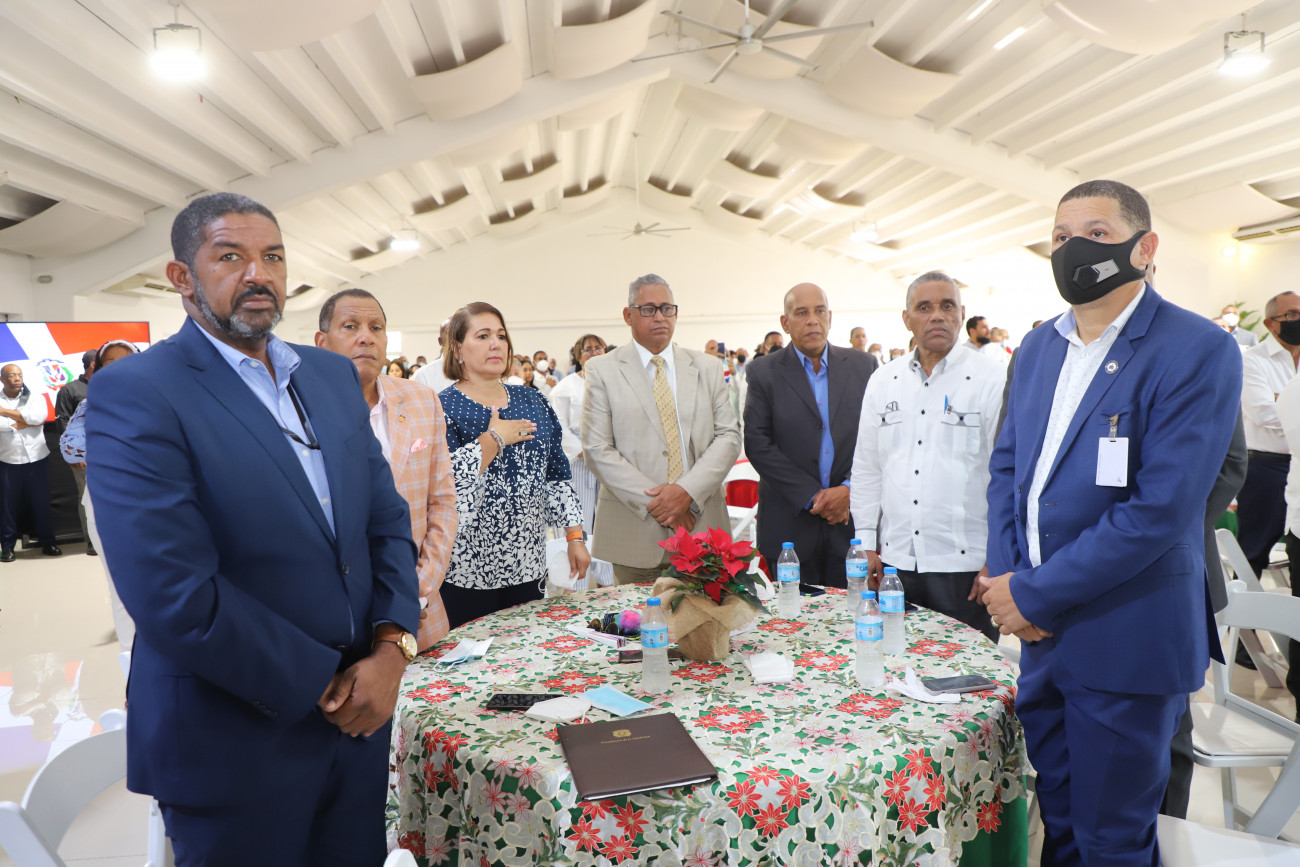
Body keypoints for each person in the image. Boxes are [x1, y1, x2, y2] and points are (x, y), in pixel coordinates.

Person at [85, 192, 420, 864]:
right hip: (230, 739)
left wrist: (392, 648)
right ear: (182, 277)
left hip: (358, 727)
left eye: (273, 256)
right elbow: (172, 590)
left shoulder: (327, 374)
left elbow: (385, 520)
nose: (258, 274)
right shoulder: (139, 390)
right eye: (230, 256)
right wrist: (328, 682)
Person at [982, 179, 1240, 865]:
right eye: (1061, 237)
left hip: (1126, 635)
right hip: (1041, 636)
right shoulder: (1038, 348)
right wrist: (1009, 579)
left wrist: (1032, 593)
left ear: (1144, 247)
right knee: (1061, 824)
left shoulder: (1196, 348)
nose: (1074, 249)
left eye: (1095, 234)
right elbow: (1008, 470)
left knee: (1113, 839)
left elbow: (1161, 510)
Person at [849, 273, 1003, 640]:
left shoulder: (992, 379)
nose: (937, 315)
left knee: (968, 671)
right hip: (895, 563)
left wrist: (998, 558)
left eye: (947, 306)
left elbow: (1009, 477)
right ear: (907, 319)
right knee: (896, 664)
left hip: (966, 569)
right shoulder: (883, 381)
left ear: (961, 314)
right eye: (924, 307)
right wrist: (866, 543)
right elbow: (868, 468)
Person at [315, 288, 457, 651]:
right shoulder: (299, 412)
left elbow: (442, 503)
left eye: (376, 327)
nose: (366, 337)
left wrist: (416, 590)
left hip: (418, 617)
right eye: (350, 326)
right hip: (332, 624)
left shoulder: (422, 401)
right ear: (322, 342)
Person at [582, 274, 740, 584]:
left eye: (667, 308)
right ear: (628, 315)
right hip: (634, 532)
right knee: (639, 616)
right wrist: (663, 505)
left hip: (703, 527)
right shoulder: (602, 370)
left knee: (707, 615)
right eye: (648, 309)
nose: (659, 317)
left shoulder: (707, 367)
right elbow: (597, 449)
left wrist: (685, 493)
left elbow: (729, 437)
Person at [437, 302, 589, 627]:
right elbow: (444, 482)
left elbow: (557, 474)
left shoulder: (533, 401)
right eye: (483, 336)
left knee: (525, 650)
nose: (496, 344)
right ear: (458, 349)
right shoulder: (442, 408)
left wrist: (574, 537)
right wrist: (494, 439)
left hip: (527, 563)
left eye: (501, 336)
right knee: (469, 656)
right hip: (467, 569)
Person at [745, 283, 876, 587]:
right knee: (792, 614)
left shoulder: (864, 366)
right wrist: (813, 496)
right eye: (802, 313)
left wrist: (848, 490)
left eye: (819, 312)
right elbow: (758, 444)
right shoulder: (763, 372)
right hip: (789, 527)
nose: (812, 321)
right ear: (785, 322)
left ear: (830, 317)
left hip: (850, 524)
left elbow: (877, 440)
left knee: (852, 610)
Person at [59, 340, 140, 648]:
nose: (120, 369)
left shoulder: (160, 401)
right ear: (97, 371)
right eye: (110, 364)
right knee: (121, 585)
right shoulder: (88, 407)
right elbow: (71, 448)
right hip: (105, 504)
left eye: (127, 362)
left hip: (156, 505)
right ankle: (132, 657)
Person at [1237, 290, 1300, 578]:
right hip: (1266, 467)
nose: (1298, 320)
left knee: (1296, 546)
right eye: (1291, 314)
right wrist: (1290, 404)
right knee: (1254, 549)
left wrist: (1281, 398)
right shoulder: (1253, 360)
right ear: (1269, 323)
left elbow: (1275, 409)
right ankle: (1243, 607)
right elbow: (1262, 412)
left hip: (1297, 467)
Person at [0, 364, 62, 561]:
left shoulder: (35, 397)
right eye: (12, 375)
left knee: (41, 503)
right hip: (8, 460)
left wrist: (5, 412)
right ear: (2, 379)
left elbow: (38, 417)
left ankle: (48, 542)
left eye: (19, 374)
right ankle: (8, 547)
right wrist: (24, 422)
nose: (17, 378)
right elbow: (7, 424)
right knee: (7, 507)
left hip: (37, 458)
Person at [550, 333, 607, 533]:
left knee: (609, 521)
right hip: (579, 458)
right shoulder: (565, 387)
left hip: (609, 457)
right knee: (581, 518)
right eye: (588, 350)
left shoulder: (614, 382)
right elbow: (558, 426)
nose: (594, 353)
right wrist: (583, 451)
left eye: (598, 348)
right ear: (578, 356)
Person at [56, 348, 98, 555]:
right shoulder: (70, 390)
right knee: (87, 497)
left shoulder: (108, 385)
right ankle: (92, 542)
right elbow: (62, 421)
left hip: (111, 452)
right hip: (84, 453)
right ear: (93, 365)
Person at [412, 319, 455, 394]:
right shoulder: (423, 376)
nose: (456, 338)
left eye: (460, 333)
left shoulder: (475, 373)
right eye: (450, 334)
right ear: (440, 341)